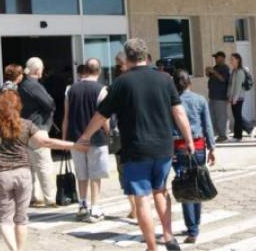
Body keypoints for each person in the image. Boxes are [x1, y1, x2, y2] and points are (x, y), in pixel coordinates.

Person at [77, 38, 194, 251]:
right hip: (163, 147)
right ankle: (168, 237)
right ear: (145, 55)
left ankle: (151, 246)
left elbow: (101, 114)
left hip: (135, 149)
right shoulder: (165, 79)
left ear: (127, 57)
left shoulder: (121, 82)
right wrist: (188, 139)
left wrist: (85, 136)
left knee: (141, 198)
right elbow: (178, 111)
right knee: (161, 191)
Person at [0, 90, 84, 251]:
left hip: (1, 174)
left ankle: (13, 249)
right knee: (21, 218)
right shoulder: (26, 124)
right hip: (23, 174)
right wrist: (73, 145)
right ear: (18, 106)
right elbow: (46, 142)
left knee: (4, 219)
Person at [172, 69, 216, 244]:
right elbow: (208, 125)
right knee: (197, 183)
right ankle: (195, 224)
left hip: (179, 147)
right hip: (198, 147)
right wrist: (212, 148)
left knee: (185, 186)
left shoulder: (172, 102)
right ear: (189, 82)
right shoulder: (200, 100)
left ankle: (192, 228)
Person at [62, 59, 109, 222]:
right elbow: (104, 117)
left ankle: (82, 205)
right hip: (96, 138)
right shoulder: (102, 90)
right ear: (99, 71)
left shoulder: (70, 89)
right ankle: (95, 208)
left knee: (81, 173)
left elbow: (66, 117)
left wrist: (64, 138)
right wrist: (108, 134)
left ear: (85, 70)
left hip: (75, 138)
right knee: (96, 174)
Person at [18, 57, 57, 208]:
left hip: (26, 128)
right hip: (38, 128)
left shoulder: (23, 85)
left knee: (31, 165)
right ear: (37, 70)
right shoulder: (34, 85)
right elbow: (49, 104)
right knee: (43, 164)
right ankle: (50, 198)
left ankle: (36, 196)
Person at [112, 51, 137, 219]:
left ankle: (135, 208)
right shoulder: (134, 81)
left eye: (118, 64)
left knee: (126, 172)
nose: (116, 67)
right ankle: (135, 207)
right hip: (132, 135)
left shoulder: (119, 84)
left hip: (124, 136)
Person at [205, 51, 231, 142]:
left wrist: (214, 72)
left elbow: (223, 79)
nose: (215, 59)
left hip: (220, 96)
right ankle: (214, 134)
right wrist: (208, 72)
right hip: (212, 96)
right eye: (215, 57)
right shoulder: (216, 67)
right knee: (211, 116)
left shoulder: (225, 68)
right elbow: (210, 76)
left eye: (217, 57)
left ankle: (223, 135)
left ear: (223, 58)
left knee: (221, 117)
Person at [227, 53, 248, 142]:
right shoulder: (234, 71)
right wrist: (229, 96)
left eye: (232, 59)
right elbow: (231, 85)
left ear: (237, 60)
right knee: (236, 116)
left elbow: (238, 86)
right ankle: (237, 135)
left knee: (237, 117)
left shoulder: (240, 71)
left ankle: (238, 136)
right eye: (230, 59)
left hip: (238, 98)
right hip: (234, 98)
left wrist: (234, 98)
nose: (230, 61)